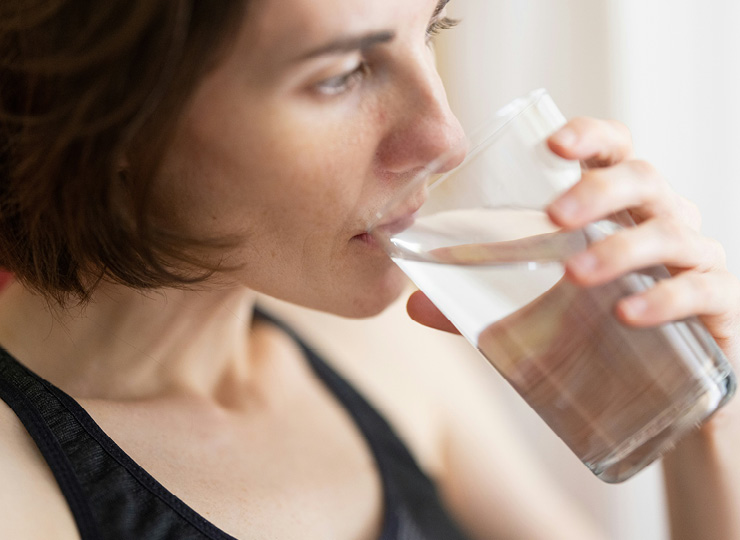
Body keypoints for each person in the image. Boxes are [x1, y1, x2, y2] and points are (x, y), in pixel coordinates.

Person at [0, 1, 738, 539]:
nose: (444, 135)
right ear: (113, 115)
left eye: (434, 29)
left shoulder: (384, 354)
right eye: (344, 72)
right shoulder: (20, 491)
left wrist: (699, 402)